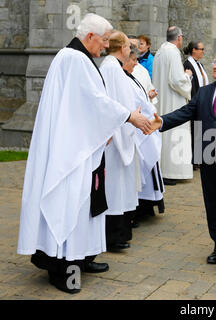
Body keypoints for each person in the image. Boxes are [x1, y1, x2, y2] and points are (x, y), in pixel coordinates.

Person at [16, 13, 153, 294]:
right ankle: (62, 268)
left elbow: (86, 104)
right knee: (71, 205)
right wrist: (129, 116)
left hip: (79, 144)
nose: (105, 47)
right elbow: (95, 101)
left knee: (85, 206)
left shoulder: (77, 58)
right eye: (103, 41)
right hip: (70, 152)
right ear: (90, 36)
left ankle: (81, 257)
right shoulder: (74, 59)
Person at [150, 52, 216, 271]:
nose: (215, 66)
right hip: (208, 158)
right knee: (213, 204)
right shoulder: (205, 91)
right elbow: (186, 112)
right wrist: (161, 121)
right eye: (215, 62)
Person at [100, 31, 143, 252]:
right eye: (128, 45)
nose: (130, 49)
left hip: (123, 127)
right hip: (116, 135)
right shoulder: (110, 68)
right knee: (114, 187)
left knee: (121, 186)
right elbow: (112, 103)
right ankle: (113, 236)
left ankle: (120, 232)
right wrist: (131, 115)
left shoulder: (114, 67)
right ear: (122, 47)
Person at [123, 45, 165, 225]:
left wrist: (150, 97)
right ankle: (138, 207)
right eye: (133, 59)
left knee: (147, 168)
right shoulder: (120, 76)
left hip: (147, 122)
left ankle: (147, 206)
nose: (136, 62)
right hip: (136, 126)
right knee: (139, 169)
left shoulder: (137, 72)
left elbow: (145, 91)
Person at [152, 26, 193, 185]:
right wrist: (187, 76)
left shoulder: (161, 51)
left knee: (165, 135)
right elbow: (177, 80)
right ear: (179, 38)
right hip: (173, 101)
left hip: (162, 99)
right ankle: (172, 171)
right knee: (175, 133)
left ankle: (163, 169)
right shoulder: (174, 53)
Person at [183, 41, 209, 170]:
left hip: (203, 101)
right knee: (195, 130)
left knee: (200, 130)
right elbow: (190, 86)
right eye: (201, 49)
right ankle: (194, 160)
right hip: (195, 102)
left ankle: (199, 158)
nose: (203, 51)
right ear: (194, 50)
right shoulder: (188, 65)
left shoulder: (199, 64)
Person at [129, 36, 158, 105]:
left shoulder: (143, 70)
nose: (132, 50)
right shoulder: (116, 67)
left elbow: (150, 88)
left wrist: (151, 94)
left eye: (135, 47)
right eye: (130, 47)